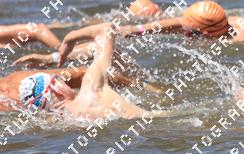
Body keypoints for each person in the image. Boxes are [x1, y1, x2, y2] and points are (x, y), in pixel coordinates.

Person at [0, 24, 145, 119]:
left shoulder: (65, 120)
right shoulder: (92, 90)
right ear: (57, 90)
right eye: (59, 79)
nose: (62, 80)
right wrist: (69, 40)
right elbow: (107, 30)